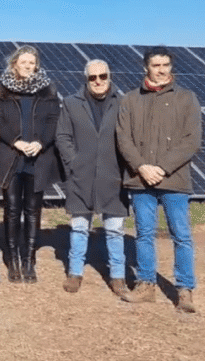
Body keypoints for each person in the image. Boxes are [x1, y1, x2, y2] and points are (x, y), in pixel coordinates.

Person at [116, 46, 202, 313]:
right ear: (146, 68)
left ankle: (185, 289)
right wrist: (141, 166)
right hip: (141, 180)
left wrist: (162, 168)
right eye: (156, 65)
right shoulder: (130, 100)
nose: (162, 70)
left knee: (181, 235)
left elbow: (192, 140)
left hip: (174, 179)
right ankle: (146, 285)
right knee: (144, 234)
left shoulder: (186, 98)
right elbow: (123, 138)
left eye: (166, 65)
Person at [55, 60, 129, 296]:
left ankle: (118, 276)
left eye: (103, 76)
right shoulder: (71, 104)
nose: (98, 81)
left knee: (115, 229)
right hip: (82, 175)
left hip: (113, 175)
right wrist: (74, 162)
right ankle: (75, 273)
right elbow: (63, 136)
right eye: (92, 77)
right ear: (85, 79)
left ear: (109, 76)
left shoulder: (124, 102)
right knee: (79, 227)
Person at [0, 45, 60, 284]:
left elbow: (54, 121)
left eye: (32, 63)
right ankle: (12, 259)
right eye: (24, 63)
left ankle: (29, 259)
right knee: (12, 211)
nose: (28, 67)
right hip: (12, 158)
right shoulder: (2, 93)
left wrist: (41, 142)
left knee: (32, 212)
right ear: (14, 64)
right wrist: (16, 141)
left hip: (37, 159)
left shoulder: (48, 92)